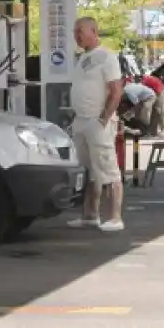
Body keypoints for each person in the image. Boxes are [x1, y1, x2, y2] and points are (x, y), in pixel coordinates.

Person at [67, 16, 125, 232]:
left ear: (93, 31)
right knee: (88, 170)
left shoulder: (107, 57)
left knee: (108, 169)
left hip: (97, 121)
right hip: (81, 121)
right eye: (75, 32)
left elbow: (116, 90)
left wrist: (104, 118)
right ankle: (90, 215)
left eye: (80, 31)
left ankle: (115, 217)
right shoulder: (83, 58)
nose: (77, 36)